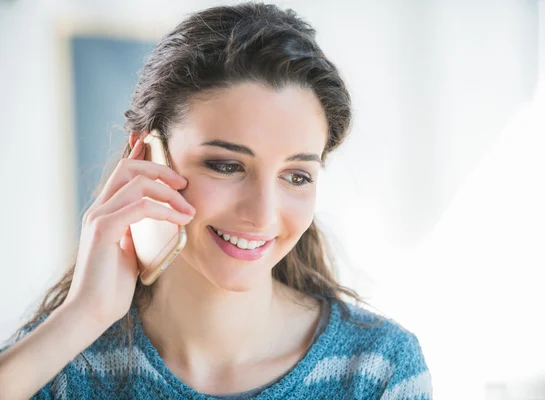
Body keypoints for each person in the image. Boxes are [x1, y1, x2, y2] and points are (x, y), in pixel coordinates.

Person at [0, 3, 432, 399]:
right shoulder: (59, 366)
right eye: (226, 166)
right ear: (148, 156)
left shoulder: (378, 370)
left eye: (296, 176)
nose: (263, 214)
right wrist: (83, 317)